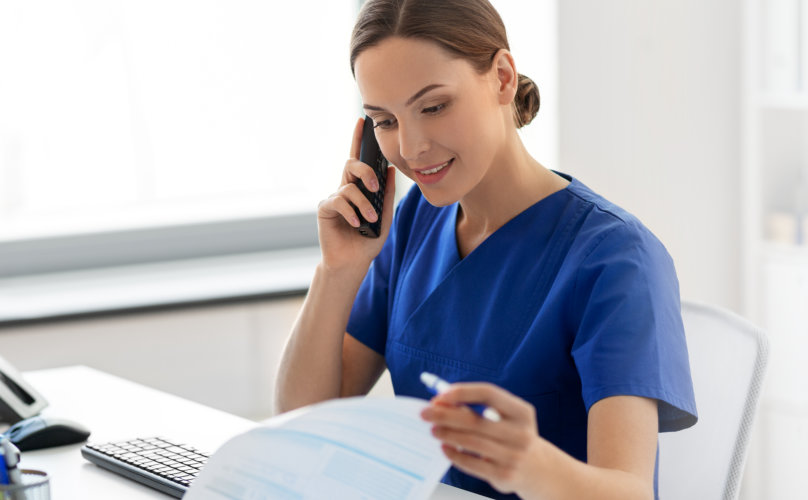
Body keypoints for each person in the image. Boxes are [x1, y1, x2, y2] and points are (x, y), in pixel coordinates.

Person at [275, 0, 696, 498]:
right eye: (384, 121)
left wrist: (532, 466)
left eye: (433, 107)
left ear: (501, 77)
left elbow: (630, 490)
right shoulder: (413, 221)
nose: (410, 149)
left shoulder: (616, 258)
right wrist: (338, 271)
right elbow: (302, 421)